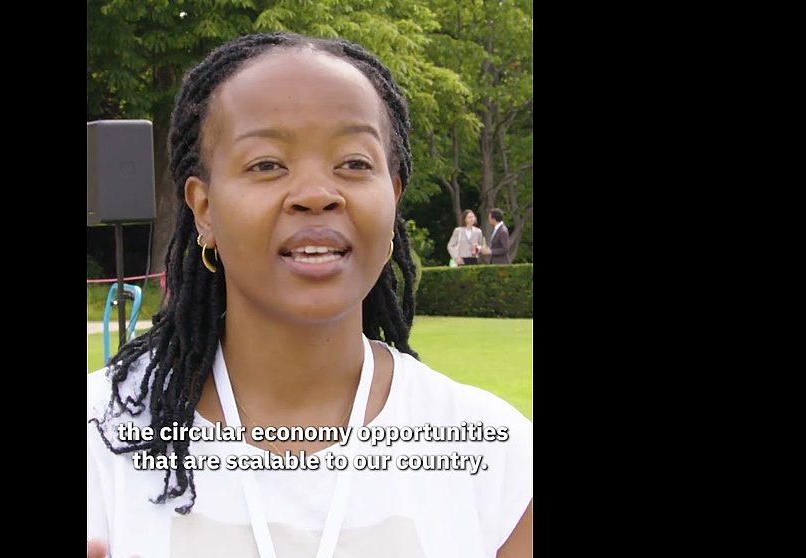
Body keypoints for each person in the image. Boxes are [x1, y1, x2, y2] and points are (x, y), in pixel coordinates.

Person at [87, 31, 532, 558]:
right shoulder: (100, 439)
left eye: (354, 163)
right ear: (204, 209)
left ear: (393, 197)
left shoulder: (496, 457)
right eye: (266, 164)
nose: (317, 195)